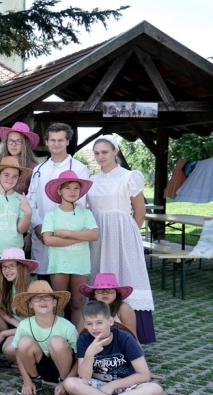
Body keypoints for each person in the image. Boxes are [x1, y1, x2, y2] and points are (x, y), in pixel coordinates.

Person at [89, 135, 154, 343]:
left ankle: (133, 334)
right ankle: (100, 331)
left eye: (105, 152)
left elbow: (140, 212)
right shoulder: (92, 181)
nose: (101, 156)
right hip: (99, 237)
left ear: (115, 152)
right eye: (97, 153)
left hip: (124, 236)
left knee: (126, 277)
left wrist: (129, 237)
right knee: (101, 277)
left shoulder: (129, 177)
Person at [62, 300, 163, 395]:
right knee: (70, 383)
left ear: (110, 321)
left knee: (155, 389)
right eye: (89, 324)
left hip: (126, 385)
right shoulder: (84, 340)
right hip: (97, 387)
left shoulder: (125, 338)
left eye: (99, 322)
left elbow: (144, 375)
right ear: (85, 325)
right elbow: (84, 377)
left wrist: (113, 385)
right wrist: (89, 354)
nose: (94, 328)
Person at [26, 123, 90, 277]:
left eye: (60, 140)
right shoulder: (38, 170)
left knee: (66, 280)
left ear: (67, 141)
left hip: (67, 235)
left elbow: (81, 203)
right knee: (44, 279)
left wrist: (62, 232)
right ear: (46, 142)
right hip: (41, 234)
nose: (56, 144)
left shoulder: (79, 168)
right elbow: (31, 201)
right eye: (52, 140)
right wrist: (38, 226)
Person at [42, 170, 98, 327]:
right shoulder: (51, 215)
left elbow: (94, 235)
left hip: (80, 264)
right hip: (59, 264)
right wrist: (82, 236)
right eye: (67, 188)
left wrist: (66, 233)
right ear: (59, 191)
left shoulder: (86, 214)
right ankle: (58, 335)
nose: (72, 191)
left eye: (76, 188)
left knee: (77, 302)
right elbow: (48, 240)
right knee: (59, 303)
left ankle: (77, 337)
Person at [9, 280, 78, 395]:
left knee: (56, 341)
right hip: (40, 367)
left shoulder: (68, 326)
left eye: (47, 297)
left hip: (63, 370)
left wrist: (66, 382)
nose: (42, 301)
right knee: (24, 342)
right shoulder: (24, 325)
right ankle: (35, 381)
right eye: (36, 298)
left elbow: (79, 359)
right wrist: (26, 380)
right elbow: (18, 354)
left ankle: (64, 383)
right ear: (30, 304)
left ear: (54, 302)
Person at [0, 156, 33, 278]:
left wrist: (28, 213)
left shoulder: (21, 199)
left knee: (13, 288)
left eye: (15, 176)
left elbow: (21, 229)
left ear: (18, 178)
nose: (10, 179)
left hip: (15, 253)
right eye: (6, 175)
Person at [0, 248, 37, 362]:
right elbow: (0, 308)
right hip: (14, 326)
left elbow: (38, 325)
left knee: (9, 350)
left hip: (31, 331)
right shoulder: (5, 285)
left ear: (21, 267)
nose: (7, 270)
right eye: (4, 267)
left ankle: (28, 360)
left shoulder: (33, 288)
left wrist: (5, 333)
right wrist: (16, 325)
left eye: (11, 266)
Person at [78, 273, 137, 339]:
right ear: (94, 294)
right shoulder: (87, 309)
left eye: (110, 290)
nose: (105, 293)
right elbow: (81, 335)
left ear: (117, 293)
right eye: (100, 290)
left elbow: (132, 337)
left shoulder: (123, 308)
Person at [0, 121, 39, 195]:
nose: (13, 144)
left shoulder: (33, 168)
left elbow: (34, 196)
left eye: (18, 141)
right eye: (11, 140)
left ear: (25, 144)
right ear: (6, 143)